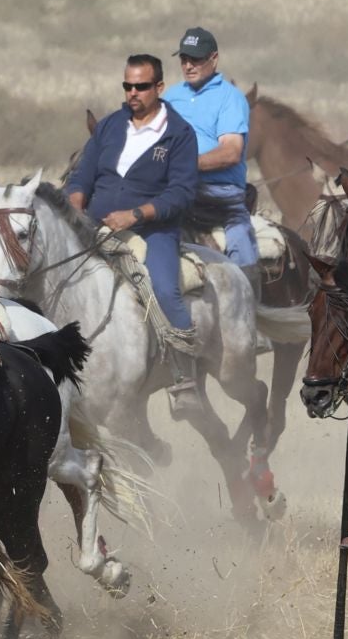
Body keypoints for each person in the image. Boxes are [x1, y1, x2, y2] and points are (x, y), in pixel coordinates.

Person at [67, 54, 201, 414]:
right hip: (95, 224)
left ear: (159, 87)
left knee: (165, 289)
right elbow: (82, 176)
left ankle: (184, 380)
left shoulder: (179, 134)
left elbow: (181, 193)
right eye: (127, 85)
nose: (132, 93)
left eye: (141, 86)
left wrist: (135, 214)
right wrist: (74, 204)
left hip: (154, 230)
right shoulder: (110, 126)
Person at [163, 26, 256, 286]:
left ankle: (249, 294)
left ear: (213, 59)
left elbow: (231, 152)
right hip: (175, 187)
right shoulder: (171, 97)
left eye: (195, 59)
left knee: (239, 236)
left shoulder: (230, 98)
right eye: (184, 59)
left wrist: (184, 164)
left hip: (219, 193)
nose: (188, 65)